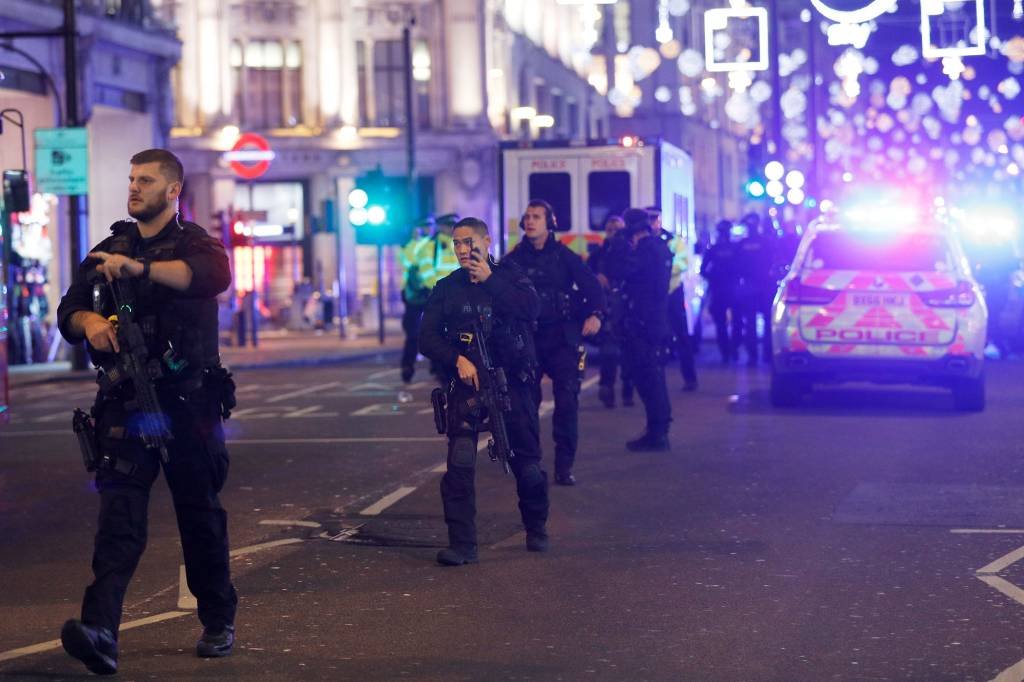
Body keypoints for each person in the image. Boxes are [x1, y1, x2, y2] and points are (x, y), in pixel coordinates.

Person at [55, 149, 238, 675]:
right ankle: (100, 632)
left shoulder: (196, 243)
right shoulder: (108, 248)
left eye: (147, 180)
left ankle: (218, 618)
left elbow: (211, 276)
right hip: (127, 404)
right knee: (118, 520)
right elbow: (69, 309)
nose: (134, 187)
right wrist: (89, 321)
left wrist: (139, 269)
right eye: (131, 178)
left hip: (188, 402)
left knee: (199, 515)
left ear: (173, 190)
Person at [419, 216, 550, 565]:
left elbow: (532, 309)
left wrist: (492, 282)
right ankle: (463, 545)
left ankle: (536, 528)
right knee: (460, 464)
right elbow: (426, 337)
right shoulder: (447, 287)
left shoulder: (511, 276)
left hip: (511, 383)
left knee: (527, 463)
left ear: (487, 241)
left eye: (469, 242)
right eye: (457, 244)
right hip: (467, 386)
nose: (463, 250)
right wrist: (457, 359)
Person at [505, 199, 605, 486]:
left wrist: (596, 314)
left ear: (550, 222)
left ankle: (564, 465)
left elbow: (592, 286)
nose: (530, 221)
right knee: (525, 405)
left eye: (536, 216)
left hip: (562, 338)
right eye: (526, 217)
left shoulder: (564, 256)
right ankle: (531, 462)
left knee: (566, 402)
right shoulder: (514, 260)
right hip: (528, 340)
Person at [613, 208, 673, 452]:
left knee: (649, 377)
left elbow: (621, 271)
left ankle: (657, 432)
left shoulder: (646, 250)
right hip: (653, 320)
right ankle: (657, 429)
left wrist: (619, 247)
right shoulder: (660, 247)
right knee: (652, 375)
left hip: (644, 322)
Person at [648, 206, 698, 391]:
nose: (652, 222)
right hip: (652, 295)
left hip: (672, 292)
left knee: (682, 336)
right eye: (649, 218)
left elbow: (682, 262)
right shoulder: (643, 241)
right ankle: (654, 380)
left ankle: (690, 378)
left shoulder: (673, 240)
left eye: (654, 218)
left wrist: (661, 268)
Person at [589, 215, 634, 408]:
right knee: (608, 348)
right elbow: (585, 272)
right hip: (608, 305)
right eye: (610, 229)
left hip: (628, 306)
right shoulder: (600, 252)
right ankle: (606, 387)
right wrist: (596, 277)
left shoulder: (631, 251)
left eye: (618, 229)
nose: (614, 232)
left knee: (629, 351)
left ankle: (628, 389)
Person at [700, 220, 743, 363]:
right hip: (731, 289)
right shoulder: (735, 248)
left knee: (723, 323)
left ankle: (727, 351)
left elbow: (703, 270)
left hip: (721, 289)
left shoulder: (714, 249)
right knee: (733, 322)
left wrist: (713, 278)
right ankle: (732, 349)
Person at [736, 212, 776, 365]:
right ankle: (767, 355)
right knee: (766, 321)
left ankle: (753, 356)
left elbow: (737, 266)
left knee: (751, 322)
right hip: (765, 286)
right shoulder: (767, 242)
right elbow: (773, 262)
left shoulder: (742, 244)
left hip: (749, 286)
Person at [399, 217, 435, 383]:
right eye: (423, 226)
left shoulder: (436, 245)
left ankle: (436, 365)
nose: (426, 229)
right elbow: (406, 265)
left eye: (429, 226)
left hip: (431, 293)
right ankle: (408, 366)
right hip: (414, 295)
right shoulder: (412, 246)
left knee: (437, 331)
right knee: (412, 334)